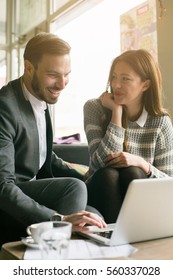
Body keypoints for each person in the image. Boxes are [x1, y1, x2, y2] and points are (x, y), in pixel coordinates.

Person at [0, 32, 106, 246]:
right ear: (29, 67)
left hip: (30, 191)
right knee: (74, 189)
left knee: (94, 217)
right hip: (8, 202)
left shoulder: (39, 97)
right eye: (53, 75)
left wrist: (90, 175)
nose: (62, 84)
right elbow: (2, 187)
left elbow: (42, 155)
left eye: (66, 74)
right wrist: (58, 219)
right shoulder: (5, 107)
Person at [84, 49, 173, 223]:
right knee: (108, 174)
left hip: (144, 205)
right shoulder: (94, 108)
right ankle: (113, 239)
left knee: (134, 172)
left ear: (145, 85)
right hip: (99, 188)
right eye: (114, 77)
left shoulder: (161, 122)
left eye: (125, 79)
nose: (116, 85)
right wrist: (116, 114)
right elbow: (99, 164)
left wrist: (142, 164)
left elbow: (169, 183)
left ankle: (131, 237)